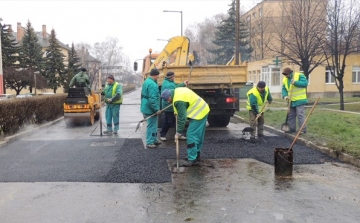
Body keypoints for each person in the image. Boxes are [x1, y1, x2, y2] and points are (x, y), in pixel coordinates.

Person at [160, 87, 210, 167]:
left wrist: (178, 132)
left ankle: (192, 159)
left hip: (198, 112)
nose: (168, 102)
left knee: (191, 135)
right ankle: (196, 155)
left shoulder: (178, 101)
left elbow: (182, 118)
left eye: (167, 100)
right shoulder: (176, 91)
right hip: (203, 109)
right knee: (198, 135)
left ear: (170, 96)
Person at [159, 71, 189, 141]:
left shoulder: (170, 82)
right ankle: (162, 134)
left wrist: (183, 84)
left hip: (173, 105)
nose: (174, 77)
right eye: (173, 76)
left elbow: (176, 87)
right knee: (168, 121)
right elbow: (175, 91)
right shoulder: (167, 84)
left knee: (177, 120)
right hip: (169, 106)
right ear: (170, 77)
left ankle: (179, 134)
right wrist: (183, 85)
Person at [282, 67, 309, 134]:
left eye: (287, 74)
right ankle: (291, 129)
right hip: (291, 100)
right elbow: (284, 88)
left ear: (290, 73)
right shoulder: (285, 79)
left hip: (300, 99)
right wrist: (285, 96)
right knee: (291, 115)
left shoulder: (299, 75)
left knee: (300, 115)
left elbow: (305, 84)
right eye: (285, 75)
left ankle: (302, 130)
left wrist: (295, 82)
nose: (286, 76)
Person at [141, 68, 162, 148]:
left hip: (146, 106)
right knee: (151, 125)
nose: (159, 77)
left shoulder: (147, 81)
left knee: (154, 124)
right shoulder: (152, 84)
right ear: (155, 75)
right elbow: (152, 99)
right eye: (158, 75)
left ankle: (154, 139)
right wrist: (156, 109)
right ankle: (150, 142)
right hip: (150, 108)